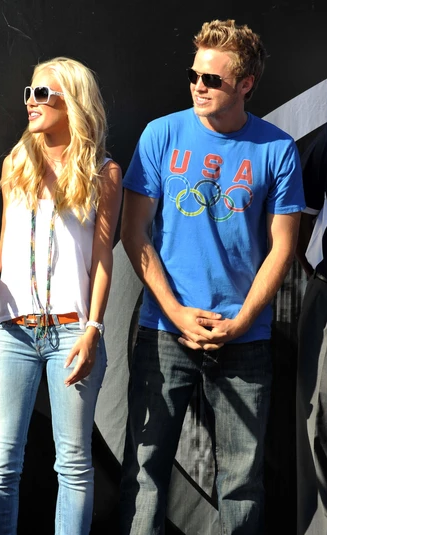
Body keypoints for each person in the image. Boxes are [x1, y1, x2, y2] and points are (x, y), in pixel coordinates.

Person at [118, 19, 306, 534]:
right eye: (194, 75)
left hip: (245, 337)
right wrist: (176, 313)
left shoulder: (277, 149)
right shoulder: (162, 134)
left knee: (242, 482)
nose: (199, 86)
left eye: (213, 79)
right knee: (144, 469)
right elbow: (135, 233)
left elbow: (283, 247)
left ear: (246, 84)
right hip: (165, 331)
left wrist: (243, 321)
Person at [0, 56, 123, 535]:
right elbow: (7, 244)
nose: (30, 102)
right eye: (28, 94)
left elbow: (101, 258)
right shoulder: (18, 162)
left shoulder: (102, 172)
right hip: (12, 329)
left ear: (70, 102)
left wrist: (94, 328)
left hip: (73, 330)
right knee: (1, 464)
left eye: (42, 94)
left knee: (73, 464)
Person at [294, 123, 332, 535]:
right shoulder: (326, 143)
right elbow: (301, 219)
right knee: (314, 418)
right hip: (327, 290)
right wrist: (316, 273)